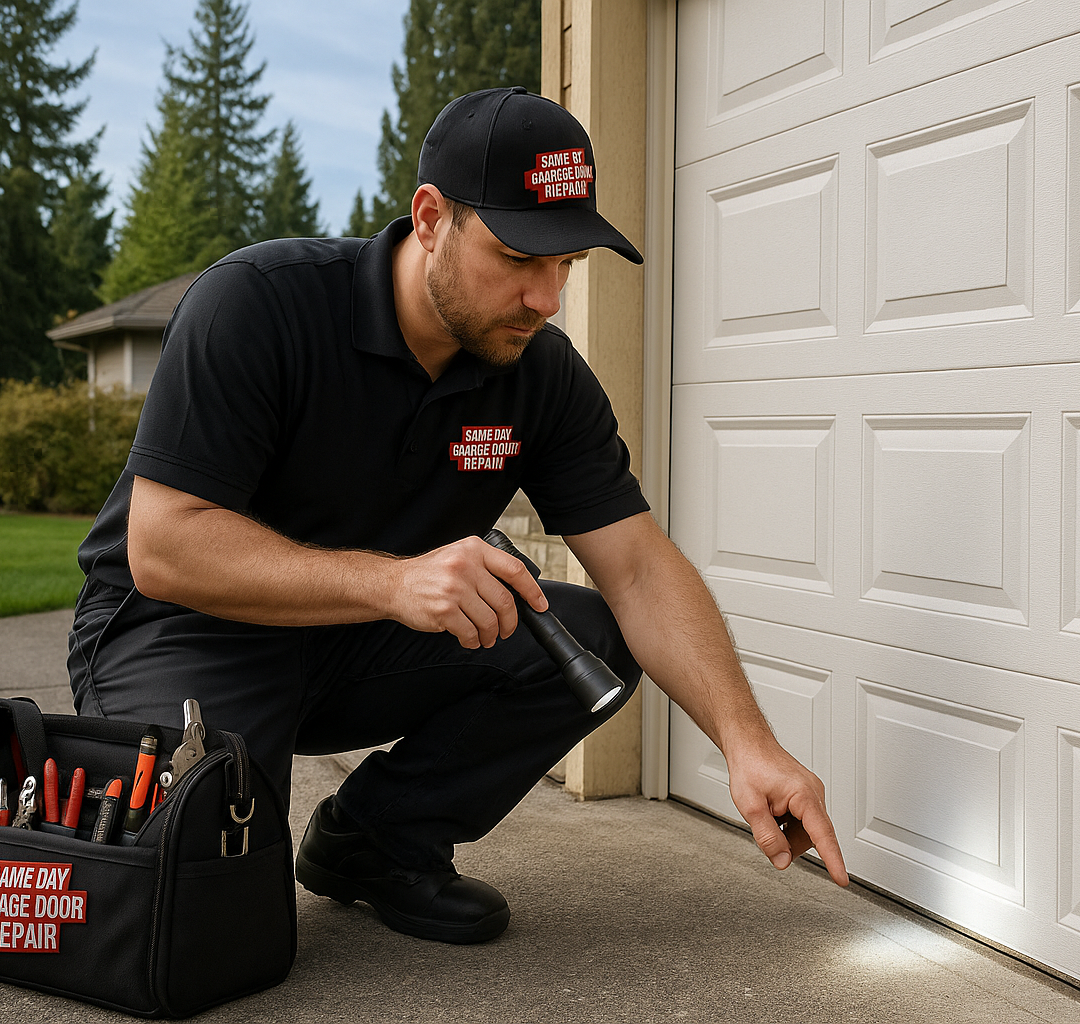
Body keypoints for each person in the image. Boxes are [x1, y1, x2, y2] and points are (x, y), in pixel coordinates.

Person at [67, 86, 847, 946]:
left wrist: (747, 743)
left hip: (361, 639)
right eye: (519, 257)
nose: (546, 298)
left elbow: (637, 568)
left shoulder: (539, 375)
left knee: (586, 639)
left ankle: (376, 842)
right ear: (431, 216)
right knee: (218, 938)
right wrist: (395, 582)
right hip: (182, 629)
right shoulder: (260, 305)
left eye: (566, 265)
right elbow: (164, 546)